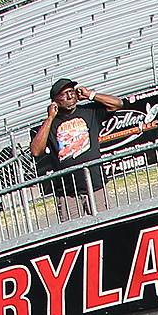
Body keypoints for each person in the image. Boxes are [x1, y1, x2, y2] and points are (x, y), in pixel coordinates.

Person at [31, 78, 129, 222]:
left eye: (71, 92)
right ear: (55, 101)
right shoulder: (50, 125)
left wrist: (90, 95)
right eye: (64, 94)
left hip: (95, 185)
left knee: (106, 223)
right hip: (67, 193)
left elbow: (118, 104)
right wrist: (50, 118)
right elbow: (36, 151)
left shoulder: (89, 111)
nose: (70, 96)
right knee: (72, 231)